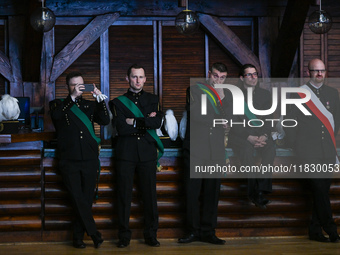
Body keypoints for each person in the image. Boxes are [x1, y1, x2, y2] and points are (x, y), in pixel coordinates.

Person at [49, 72, 110, 248]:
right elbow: (57, 117)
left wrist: (100, 100)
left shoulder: (90, 105)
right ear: (68, 87)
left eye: (81, 85)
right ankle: (94, 233)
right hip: (69, 160)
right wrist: (72, 98)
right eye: (74, 85)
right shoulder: (59, 105)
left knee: (85, 199)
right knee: (77, 198)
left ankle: (78, 238)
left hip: (89, 159)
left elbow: (105, 120)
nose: (78, 88)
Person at [285, 59, 340, 242]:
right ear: (308, 72)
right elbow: (289, 122)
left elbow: (336, 122)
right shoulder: (298, 94)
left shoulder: (333, 93)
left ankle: (315, 230)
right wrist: (296, 145)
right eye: (315, 71)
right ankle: (331, 229)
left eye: (322, 70)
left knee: (321, 191)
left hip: (327, 150)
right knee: (319, 189)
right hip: (307, 151)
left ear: (325, 72)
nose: (319, 74)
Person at [109, 64, 164, 248]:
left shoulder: (153, 99)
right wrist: (144, 121)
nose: (138, 80)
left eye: (141, 77)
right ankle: (124, 236)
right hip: (126, 154)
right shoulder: (117, 102)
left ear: (145, 79)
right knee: (124, 197)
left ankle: (151, 235)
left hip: (147, 154)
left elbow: (156, 122)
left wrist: (134, 121)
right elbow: (121, 128)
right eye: (134, 77)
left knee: (149, 197)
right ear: (127, 78)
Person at [178, 62, 229, 245]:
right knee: (192, 193)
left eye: (222, 77)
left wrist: (222, 100)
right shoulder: (194, 90)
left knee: (212, 193)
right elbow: (196, 114)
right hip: (195, 150)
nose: (218, 80)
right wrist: (218, 119)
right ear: (209, 74)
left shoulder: (227, 95)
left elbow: (233, 118)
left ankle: (208, 232)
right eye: (216, 75)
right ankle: (192, 231)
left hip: (215, 150)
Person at [227, 64, 275, 209]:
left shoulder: (265, 95)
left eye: (255, 74)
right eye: (249, 75)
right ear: (242, 78)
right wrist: (249, 137)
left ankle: (260, 189)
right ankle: (254, 192)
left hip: (261, 135)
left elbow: (269, 119)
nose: (253, 77)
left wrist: (265, 136)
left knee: (270, 149)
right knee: (247, 151)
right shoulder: (232, 95)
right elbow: (232, 121)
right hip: (240, 136)